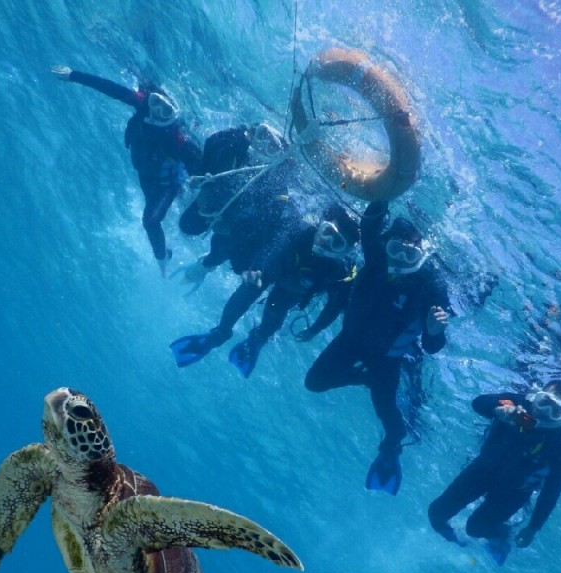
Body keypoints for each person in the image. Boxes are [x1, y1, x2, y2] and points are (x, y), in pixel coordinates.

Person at [304, 199, 450, 495]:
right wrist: (383, 194)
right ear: (387, 245)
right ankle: (364, 378)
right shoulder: (377, 260)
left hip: (387, 361)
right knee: (313, 382)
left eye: (409, 254)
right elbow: (369, 226)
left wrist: (435, 332)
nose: (399, 260)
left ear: (423, 253)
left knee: (393, 425)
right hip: (349, 343)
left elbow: (433, 346)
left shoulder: (431, 285)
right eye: (395, 249)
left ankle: (390, 453)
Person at [170, 204, 359, 373]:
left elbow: (336, 305)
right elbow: (273, 248)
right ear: (322, 224)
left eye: (337, 243)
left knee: (278, 306)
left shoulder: (338, 270)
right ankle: (221, 332)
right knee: (250, 287)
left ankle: (258, 339)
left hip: (294, 285)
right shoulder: (300, 229)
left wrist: (315, 329)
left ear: (344, 252)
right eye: (327, 231)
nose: (325, 242)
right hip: (275, 266)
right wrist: (256, 270)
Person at [52, 66, 202, 271]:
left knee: (150, 221)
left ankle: (162, 258)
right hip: (145, 176)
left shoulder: (175, 137)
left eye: (165, 110)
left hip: (166, 184)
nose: (157, 112)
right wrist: (73, 75)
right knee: (152, 215)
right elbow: (110, 88)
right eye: (156, 103)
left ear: (173, 116)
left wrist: (199, 177)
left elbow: (196, 159)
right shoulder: (142, 104)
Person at [427, 380, 561, 564]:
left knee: (475, 529)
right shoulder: (515, 406)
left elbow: (551, 492)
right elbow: (479, 403)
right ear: (535, 397)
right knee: (436, 513)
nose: (544, 413)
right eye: (543, 402)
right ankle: (456, 544)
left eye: (555, 411)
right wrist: (497, 409)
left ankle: (502, 533)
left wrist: (533, 527)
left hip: (513, 493)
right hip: (482, 471)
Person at [175, 122, 300, 287]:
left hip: (235, 221)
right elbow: (212, 145)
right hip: (214, 200)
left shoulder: (275, 185)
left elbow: (265, 227)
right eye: (262, 136)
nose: (262, 147)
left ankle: (206, 264)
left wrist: (231, 228)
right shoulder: (234, 146)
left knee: (235, 261)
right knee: (188, 226)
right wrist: (202, 180)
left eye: (271, 147)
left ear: (278, 158)